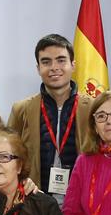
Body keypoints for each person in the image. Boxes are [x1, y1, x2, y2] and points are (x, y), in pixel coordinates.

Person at [7, 34, 93, 199]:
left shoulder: (94, 109)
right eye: (46, 62)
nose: (54, 67)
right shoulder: (21, 110)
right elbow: (9, 157)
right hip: (35, 204)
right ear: (38, 68)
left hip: (81, 205)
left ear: (73, 65)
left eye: (61, 60)